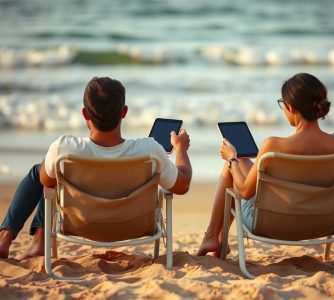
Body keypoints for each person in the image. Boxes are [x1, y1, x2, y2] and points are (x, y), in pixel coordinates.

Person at [0, 77, 192, 259]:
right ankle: (35, 242)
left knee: (43, 171)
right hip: (133, 227)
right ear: (124, 112)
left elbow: (45, 182)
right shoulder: (151, 150)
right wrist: (181, 149)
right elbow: (182, 186)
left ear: (85, 113)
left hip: (82, 225)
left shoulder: (64, 148)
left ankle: (8, 239)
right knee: (50, 173)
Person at [196, 73, 334, 256]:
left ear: (290, 107)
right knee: (243, 161)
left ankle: (213, 236)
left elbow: (245, 191)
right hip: (326, 221)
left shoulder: (274, 145)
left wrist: (231, 159)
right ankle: (215, 237)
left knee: (233, 165)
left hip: (273, 223)